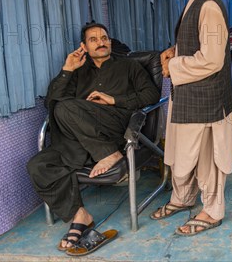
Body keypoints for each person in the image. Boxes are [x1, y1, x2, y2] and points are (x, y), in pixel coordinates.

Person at [27, 23, 160, 250]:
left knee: (66, 108)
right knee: (38, 165)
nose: (101, 42)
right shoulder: (78, 71)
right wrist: (67, 69)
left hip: (116, 126)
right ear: (84, 46)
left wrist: (114, 100)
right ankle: (80, 216)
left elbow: (151, 94)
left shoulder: (129, 66)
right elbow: (52, 103)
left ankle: (110, 153)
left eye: (104, 38)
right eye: (94, 39)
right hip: (80, 139)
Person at [150, 0, 232, 236]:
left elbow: (211, 60)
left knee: (209, 158)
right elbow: (196, 46)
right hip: (190, 96)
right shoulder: (193, 0)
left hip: (209, 100)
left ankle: (212, 211)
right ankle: (184, 198)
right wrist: (174, 52)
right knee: (182, 152)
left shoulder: (209, 6)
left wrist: (172, 67)